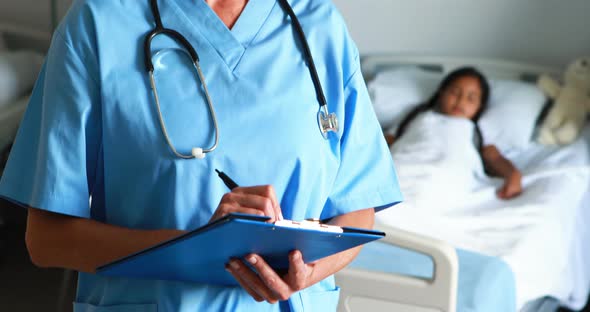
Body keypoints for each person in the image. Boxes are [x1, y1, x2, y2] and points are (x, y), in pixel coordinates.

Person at [0, 0, 402, 311]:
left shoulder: (318, 24)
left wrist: (309, 270)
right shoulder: (99, 23)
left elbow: (357, 213)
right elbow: (47, 240)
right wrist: (198, 248)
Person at [384, 67, 522, 200]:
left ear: (480, 106)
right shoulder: (417, 117)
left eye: (471, 98)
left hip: (450, 179)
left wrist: (513, 176)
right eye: (455, 93)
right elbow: (384, 143)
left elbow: (495, 158)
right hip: (405, 169)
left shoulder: (475, 131)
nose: (461, 101)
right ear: (441, 92)